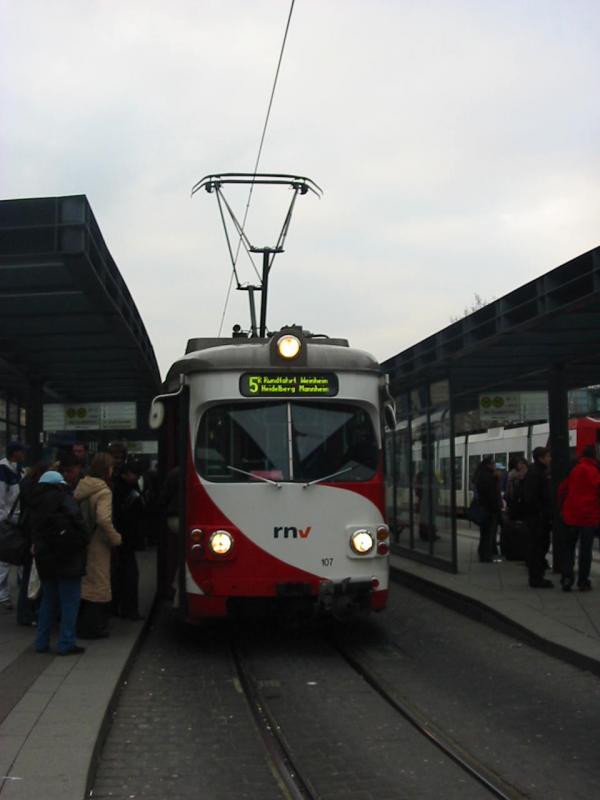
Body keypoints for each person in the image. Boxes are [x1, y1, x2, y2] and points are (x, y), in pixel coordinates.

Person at [30, 470, 89, 655]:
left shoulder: (35, 503)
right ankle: (66, 643)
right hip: (68, 557)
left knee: (48, 601)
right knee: (69, 602)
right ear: (58, 484)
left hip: (44, 559)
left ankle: (41, 642)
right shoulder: (64, 499)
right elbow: (80, 524)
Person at [75, 453, 122, 638]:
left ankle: (82, 625)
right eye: (111, 467)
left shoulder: (82, 486)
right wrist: (115, 537)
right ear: (106, 469)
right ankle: (93, 627)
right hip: (98, 542)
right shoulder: (103, 491)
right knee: (98, 584)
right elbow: (103, 518)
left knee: (86, 583)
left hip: (83, 539)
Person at [558, 445, 600, 591]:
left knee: (569, 548)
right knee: (586, 550)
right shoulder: (595, 471)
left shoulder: (574, 469)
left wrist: (562, 508)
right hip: (589, 517)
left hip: (571, 516)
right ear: (594, 456)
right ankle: (583, 581)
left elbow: (562, 489)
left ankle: (567, 577)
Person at [16, 461, 48, 625]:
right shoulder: (36, 490)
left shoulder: (25, 484)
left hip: (27, 535)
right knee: (32, 577)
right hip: (33, 537)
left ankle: (25, 613)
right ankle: (27, 613)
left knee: (28, 576)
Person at [111, 458, 144, 620]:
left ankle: (118, 607)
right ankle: (129, 609)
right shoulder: (127, 490)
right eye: (134, 474)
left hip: (122, 537)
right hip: (125, 538)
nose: (137, 477)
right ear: (126, 474)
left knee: (121, 574)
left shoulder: (118, 487)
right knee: (129, 574)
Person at [0, 441, 26, 611]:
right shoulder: (3, 470)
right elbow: (1, 497)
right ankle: (2, 595)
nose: (23, 454)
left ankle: (17, 590)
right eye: (21, 451)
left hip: (16, 518)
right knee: (4, 560)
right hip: (7, 519)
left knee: (15, 555)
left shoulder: (18, 469)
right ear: (14, 453)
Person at [522, 446, 553, 588]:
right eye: (548, 456)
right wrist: (542, 512)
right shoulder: (537, 473)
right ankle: (536, 578)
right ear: (541, 458)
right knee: (538, 547)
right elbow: (533, 497)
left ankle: (537, 576)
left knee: (538, 546)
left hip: (537, 516)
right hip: (538, 518)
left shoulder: (536, 471)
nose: (550, 459)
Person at [474, 457, 502, 563]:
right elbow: (492, 495)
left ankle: (483, 553)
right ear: (489, 465)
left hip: (485, 508)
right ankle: (486, 556)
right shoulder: (489, 477)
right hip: (489, 510)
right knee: (487, 534)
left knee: (484, 534)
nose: (495, 466)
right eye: (494, 463)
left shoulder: (482, 475)